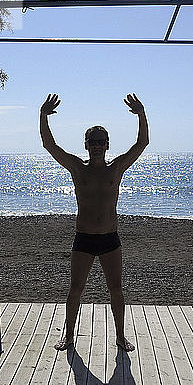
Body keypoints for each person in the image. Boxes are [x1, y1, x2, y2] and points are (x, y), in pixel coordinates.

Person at [40, 92, 149, 351]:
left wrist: (141, 114)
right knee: (75, 289)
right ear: (86, 144)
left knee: (116, 289)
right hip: (84, 239)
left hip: (110, 239)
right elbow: (50, 146)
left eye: (101, 141)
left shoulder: (116, 168)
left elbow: (142, 143)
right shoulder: (78, 168)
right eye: (93, 141)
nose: (97, 145)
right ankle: (68, 335)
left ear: (108, 144)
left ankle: (120, 336)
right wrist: (43, 115)